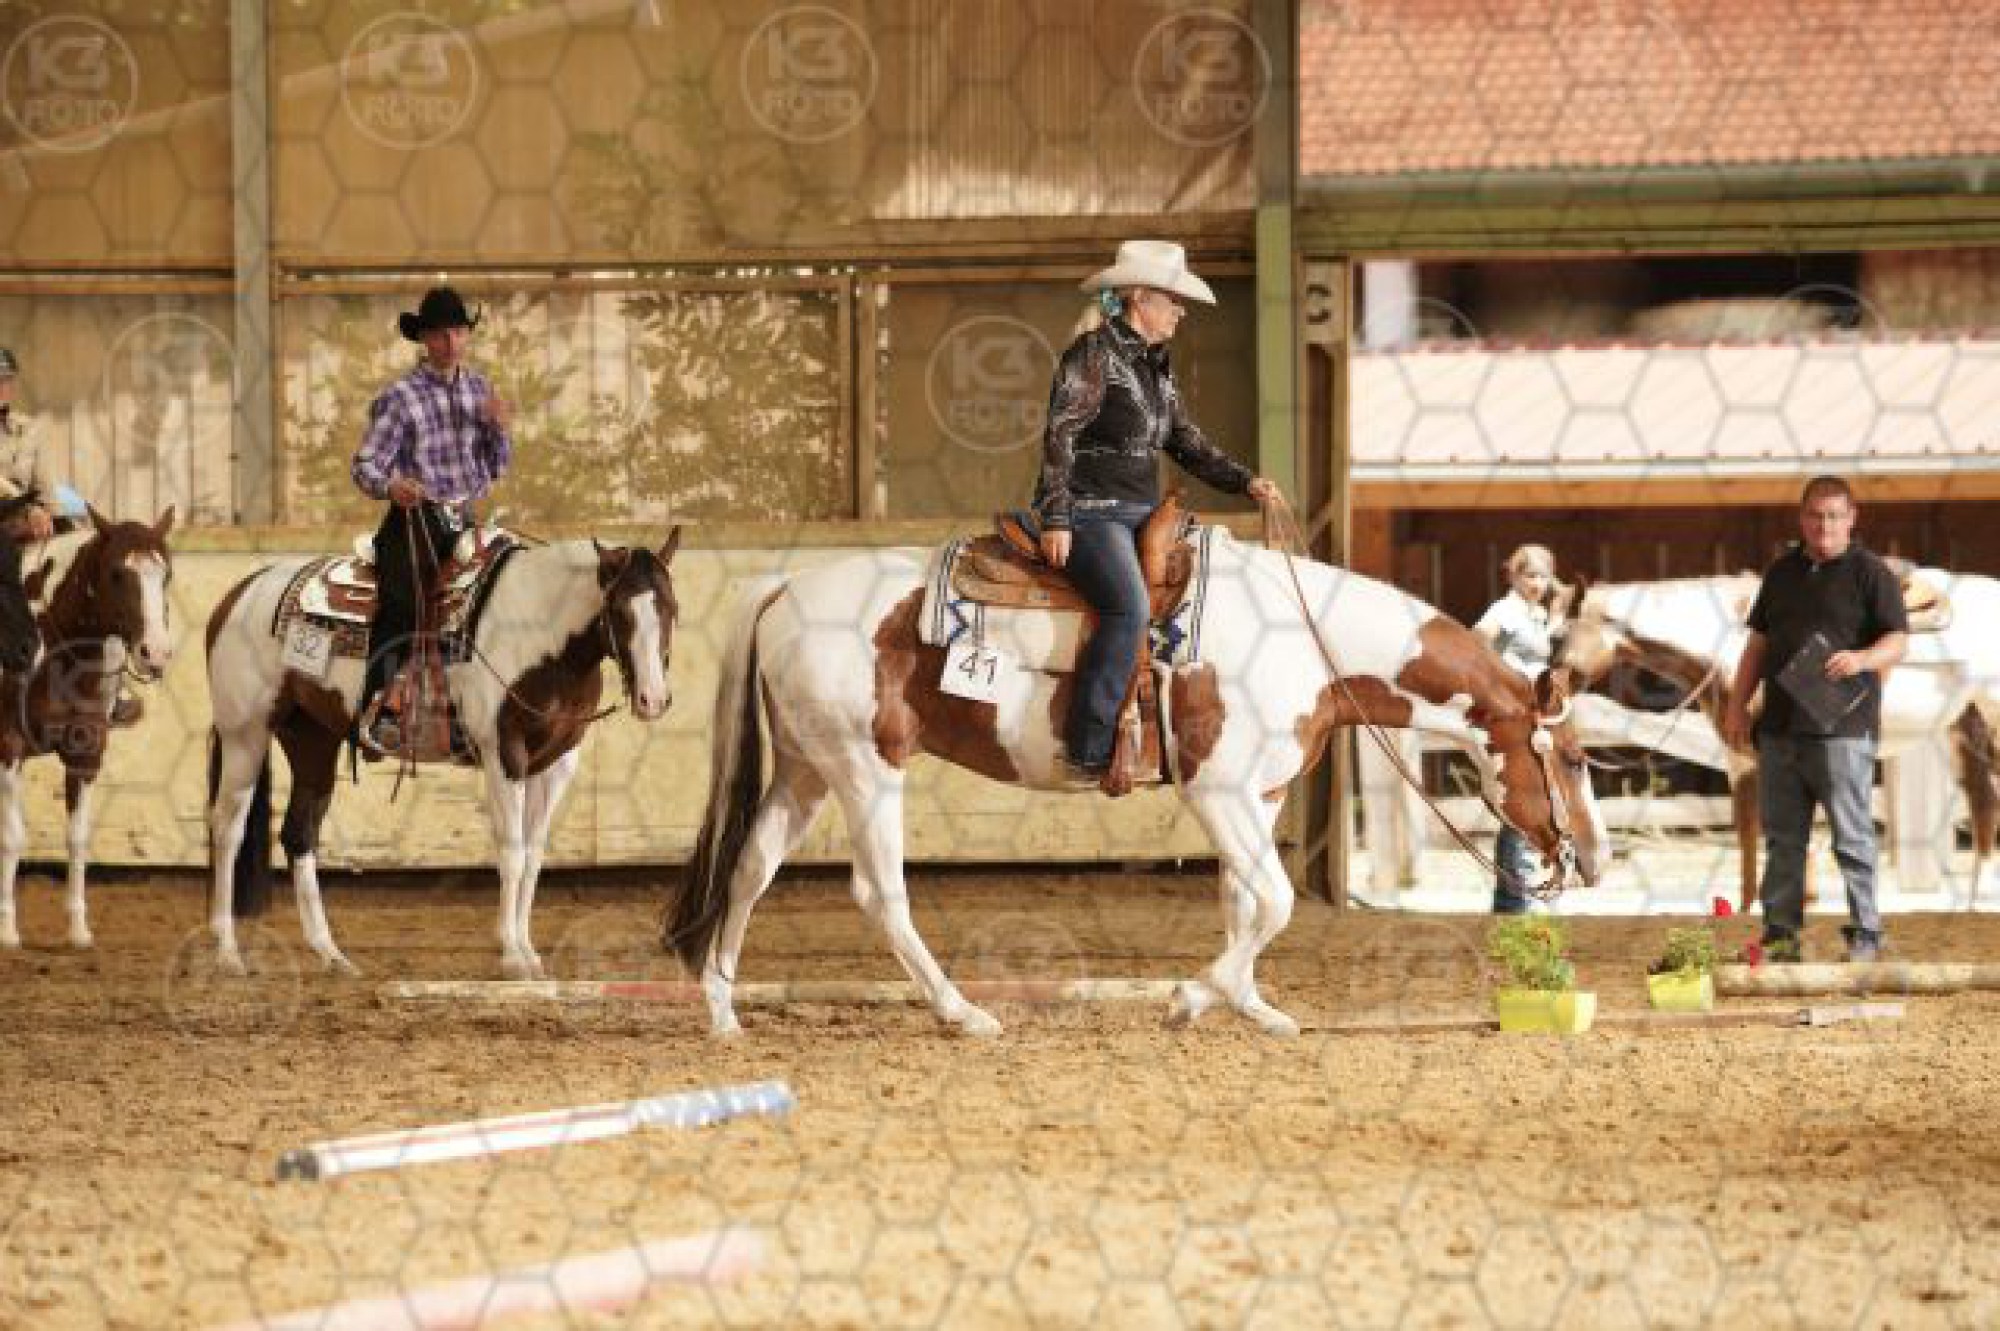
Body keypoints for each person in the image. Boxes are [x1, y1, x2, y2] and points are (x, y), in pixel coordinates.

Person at [1031, 240, 1278, 783]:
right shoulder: (1093, 354)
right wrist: (1056, 515)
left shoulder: (1155, 367)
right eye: (1173, 299)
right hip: (1092, 512)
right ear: (1140, 298)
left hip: (1144, 515)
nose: (1180, 312)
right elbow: (1060, 433)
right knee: (1128, 609)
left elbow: (1185, 441)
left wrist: (1245, 481)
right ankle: (1088, 750)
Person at [1723, 476, 1908, 964]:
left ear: (1851, 518)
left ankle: (1866, 934)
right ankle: (1781, 938)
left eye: (1834, 515)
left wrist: (1862, 659)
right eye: (1815, 515)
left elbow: (1897, 640)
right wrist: (1737, 706)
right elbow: (1757, 646)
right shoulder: (1780, 573)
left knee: (1852, 837)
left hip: (1842, 732)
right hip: (1779, 731)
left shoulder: (1871, 573)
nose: (1824, 525)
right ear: (1801, 518)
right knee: (1783, 841)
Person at [352, 288, 512, 754]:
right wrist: (391, 487)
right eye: (441, 334)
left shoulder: (481, 390)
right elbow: (364, 465)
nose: (451, 342)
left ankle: (475, 706)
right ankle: (376, 705)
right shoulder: (400, 398)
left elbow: (496, 467)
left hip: (466, 519)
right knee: (406, 603)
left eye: (459, 332)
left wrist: (499, 429)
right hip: (414, 520)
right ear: (424, 339)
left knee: (495, 596)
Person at [0, 350, 142, 721]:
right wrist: (24, 510)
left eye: (7, 379)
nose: (3, 387)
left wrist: (51, 513)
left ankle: (113, 686)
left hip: (29, 523)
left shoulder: (28, 429)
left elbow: (47, 484)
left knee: (95, 559)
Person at [1473, 543, 1565, 913]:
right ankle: (1517, 899)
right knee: (1522, 800)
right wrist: (1497, 683)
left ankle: (1513, 897)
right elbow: (1477, 639)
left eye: (1543, 576)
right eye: (1529, 575)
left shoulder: (1537, 614)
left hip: (1535, 716)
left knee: (1532, 801)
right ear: (1513, 576)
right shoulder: (1505, 610)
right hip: (1511, 715)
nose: (1537, 583)